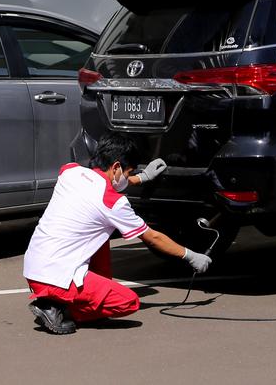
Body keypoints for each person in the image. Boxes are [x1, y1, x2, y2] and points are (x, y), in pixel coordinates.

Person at [23, 133, 212, 334]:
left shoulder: (69, 172)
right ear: (116, 167)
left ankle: (65, 301)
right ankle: (56, 307)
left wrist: (140, 178)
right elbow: (153, 237)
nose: (128, 176)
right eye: (128, 171)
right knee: (128, 302)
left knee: (101, 235)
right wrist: (190, 255)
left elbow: (105, 181)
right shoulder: (113, 203)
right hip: (56, 279)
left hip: (34, 267)